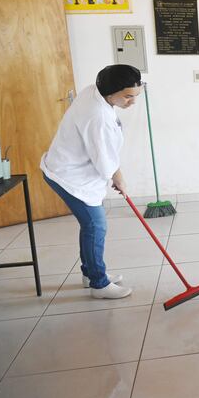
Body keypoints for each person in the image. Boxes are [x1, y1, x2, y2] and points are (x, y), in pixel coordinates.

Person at [41, 64, 142, 299]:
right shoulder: (97, 116)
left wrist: (115, 174)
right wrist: (120, 179)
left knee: (90, 225)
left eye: (136, 95)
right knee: (96, 225)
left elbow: (105, 155)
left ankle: (90, 273)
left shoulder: (94, 91)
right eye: (128, 96)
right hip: (69, 176)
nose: (132, 102)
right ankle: (99, 283)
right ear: (110, 92)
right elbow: (106, 163)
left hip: (70, 168)